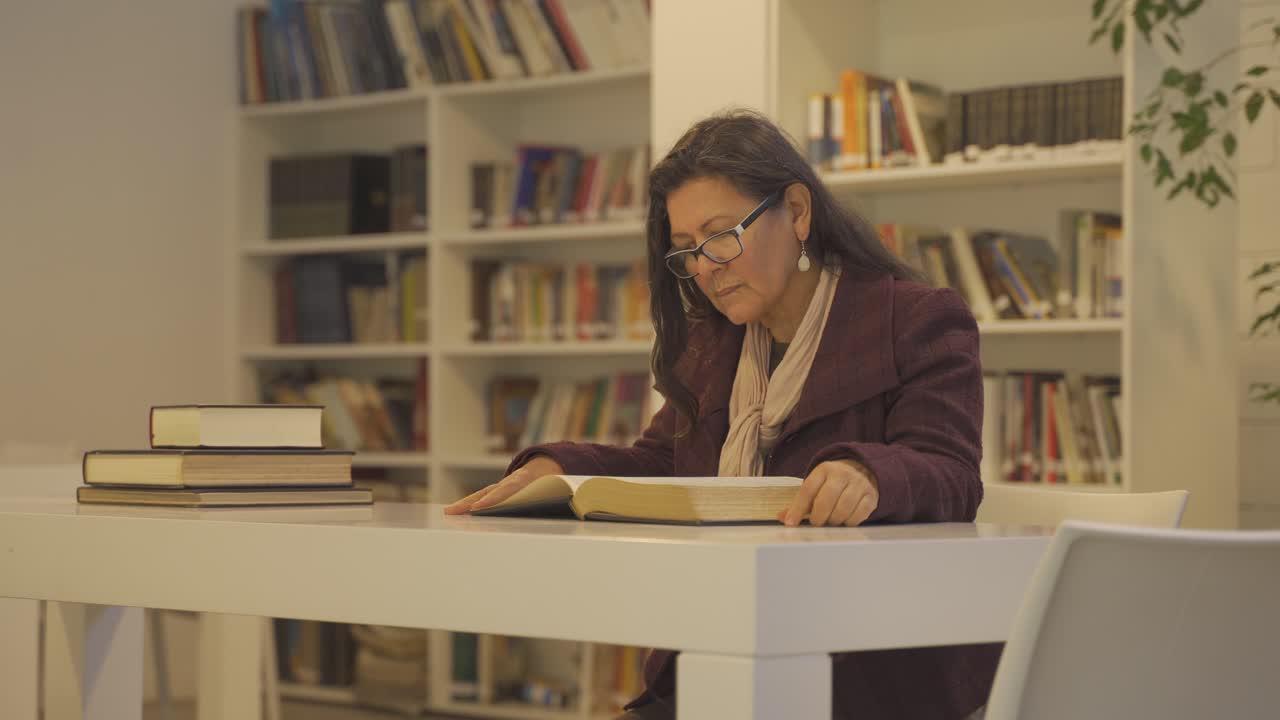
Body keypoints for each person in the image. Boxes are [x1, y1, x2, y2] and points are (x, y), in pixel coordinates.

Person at [446, 109, 998, 719]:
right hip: (730, 645)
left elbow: (951, 474)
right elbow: (666, 463)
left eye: (720, 236)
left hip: (870, 668)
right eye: (686, 250)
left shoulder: (915, 318)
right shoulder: (716, 343)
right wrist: (558, 469)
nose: (705, 267)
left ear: (798, 211)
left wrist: (869, 476)